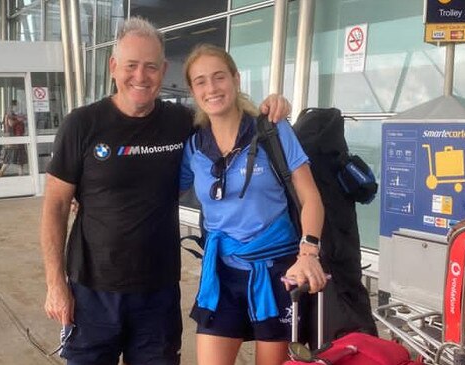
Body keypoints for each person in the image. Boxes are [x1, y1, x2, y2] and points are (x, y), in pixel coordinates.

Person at [40, 17, 290, 365]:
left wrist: (271, 106)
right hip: (91, 292)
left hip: (158, 296)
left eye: (151, 67)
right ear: (113, 67)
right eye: (131, 66)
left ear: (163, 70)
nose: (140, 77)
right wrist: (56, 285)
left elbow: (223, 109)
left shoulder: (181, 123)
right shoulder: (82, 124)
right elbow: (54, 206)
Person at [179, 44, 327, 365]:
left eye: (219, 77)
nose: (212, 88)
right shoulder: (194, 146)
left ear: (235, 78)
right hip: (222, 271)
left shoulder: (272, 130)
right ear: (192, 90)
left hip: (279, 272)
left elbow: (311, 197)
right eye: (201, 81)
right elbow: (155, 191)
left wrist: (308, 253)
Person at [0, 100, 28, 177]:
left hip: (18, 138)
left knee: (20, 158)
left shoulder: (14, 115)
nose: (17, 107)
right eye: (16, 106)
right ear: (12, 106)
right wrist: (19, 120)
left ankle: (21, 174)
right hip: (13, 139)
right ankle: (0, 172)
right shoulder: (9, 115)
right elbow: (11, 123)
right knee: (10, 156)